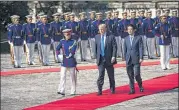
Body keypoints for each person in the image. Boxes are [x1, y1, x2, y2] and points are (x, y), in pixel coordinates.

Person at [95, 24, 117, 96]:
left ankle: (112, 88)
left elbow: (114, 47)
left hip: (109, 59)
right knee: (101, 75)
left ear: (105, 29)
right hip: (101, 59)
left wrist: (113, 56)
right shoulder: (97, 37)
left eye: (102, 29)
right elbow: (96, 48)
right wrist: (96, 57)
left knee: (111, 75)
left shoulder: (111, 37)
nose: (101, 30)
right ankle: (99, 90)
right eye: (100, 29)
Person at [123, 24, 144, 94]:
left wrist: (141, 57)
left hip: (136, 58)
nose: (129, 31)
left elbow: (141, 48)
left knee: (136, 74)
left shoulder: (138, 38)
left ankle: (140, 85)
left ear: (134, 30)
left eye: (131, 29)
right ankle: (132, 89)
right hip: (128, 59)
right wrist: (125, 58)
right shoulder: (125, 39)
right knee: (130, 75)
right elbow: (124, 49)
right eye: (128, 29)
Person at [56, 29, 77, 96]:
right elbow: (57, 48)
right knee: (62, 76)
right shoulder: (62, 41)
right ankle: (62, 90)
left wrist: (71, 54)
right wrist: (58, 55)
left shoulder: (74, 41)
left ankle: (73, 90)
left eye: (68, 34)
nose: (67, 35)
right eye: (66, 34)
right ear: (64, 35)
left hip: (71, 60)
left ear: (70, 34)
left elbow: (73, 50)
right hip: (64, 60)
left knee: (72, 77)